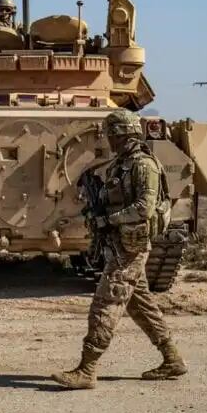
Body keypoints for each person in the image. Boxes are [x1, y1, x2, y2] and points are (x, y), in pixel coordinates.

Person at [52, 110, 186, 389]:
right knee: (141, 305)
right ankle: (172, 359)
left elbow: (143, 209)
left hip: (132, 246)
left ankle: (87, 369)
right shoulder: (121, 164)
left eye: (112, 134)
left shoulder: (143, 165)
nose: (109, 140)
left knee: (107, 301)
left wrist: (107, 219)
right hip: (121, 243)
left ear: (122, 133)